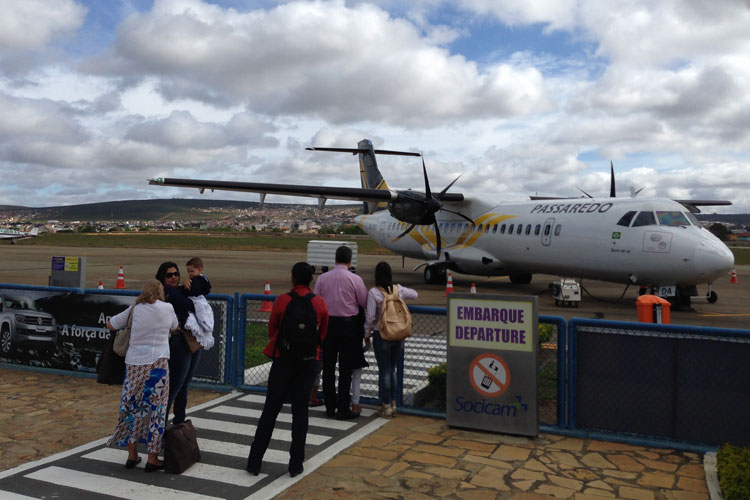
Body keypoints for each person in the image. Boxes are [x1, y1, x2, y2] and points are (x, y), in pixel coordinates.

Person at [247, 262, 328, 477]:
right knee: (300, 413)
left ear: (292, 278)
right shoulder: (319, 303)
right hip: (308, 362)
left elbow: (273, 328)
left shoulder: (283, 300)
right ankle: (295, 464)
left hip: (283, 360)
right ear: (311, 280)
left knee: (270, 411)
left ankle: (254, 461)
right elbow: (322, 334)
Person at [106, 279, 178, 472]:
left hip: (134, 364)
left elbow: (110, 324)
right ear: (160, 292)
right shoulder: (168, 308)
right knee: (156, 409)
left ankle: (132, 455)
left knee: (131, 407)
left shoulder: (134, 310)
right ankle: (152, 457)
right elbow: (174, 326)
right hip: (158, 364)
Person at [313, 245, 368, 420]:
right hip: (348, 326)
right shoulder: (355, 279)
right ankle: (343, 408)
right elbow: (364, 301)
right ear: (349, 261)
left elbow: (316, 301)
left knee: (328, 368)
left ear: (334, 259)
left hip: (329, 325)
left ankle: (330, 406)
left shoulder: (322, 278)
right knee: (346, 369)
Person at [364, 261, 418, 418]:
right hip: (399, 333)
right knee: (392, 369)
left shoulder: (374, 293)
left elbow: (370, 317)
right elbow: (415, 294)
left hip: (383, 334)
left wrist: (367, 333)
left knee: (384, 370)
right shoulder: (398, 289)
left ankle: (386, 405)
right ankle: (394, 403)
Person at [156, 261, 199, 426]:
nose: (174, 277)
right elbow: (190, 304)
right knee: (174, 385)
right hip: (179, 340)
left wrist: (192, 282)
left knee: (185, 383)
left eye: (176, 274)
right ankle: (160, 426)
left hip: (191, 338)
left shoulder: (177, 290)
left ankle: (179, 422)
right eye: (169, 275)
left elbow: (201, 291)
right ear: (162, 277)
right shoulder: (167, 291)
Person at [182, 257, 215, 350]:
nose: (190, 274)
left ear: (200, 269)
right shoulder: (203, 278)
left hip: (198, 301)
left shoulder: (197, 280)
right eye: (188, 272)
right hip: (200, 300)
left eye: (192, 271)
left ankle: (205, 326)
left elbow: (193, 291)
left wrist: (184, 288)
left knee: (202, 314)